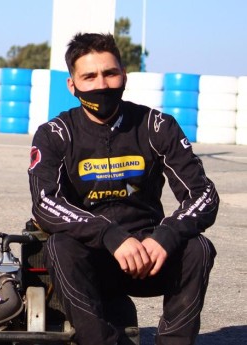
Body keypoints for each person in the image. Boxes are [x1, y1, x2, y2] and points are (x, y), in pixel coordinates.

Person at [27, 33, 218, 345]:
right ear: (72, 85)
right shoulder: (55, 134)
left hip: (149, 255)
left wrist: (166, 236)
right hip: (92, 259)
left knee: (197, 247)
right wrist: (110, 235)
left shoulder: (156, 126)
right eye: (89, 76)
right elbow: (46, 202)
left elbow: (204, 195)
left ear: (124, 76)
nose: (102, 85)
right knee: (58, 247)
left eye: (110, 73)